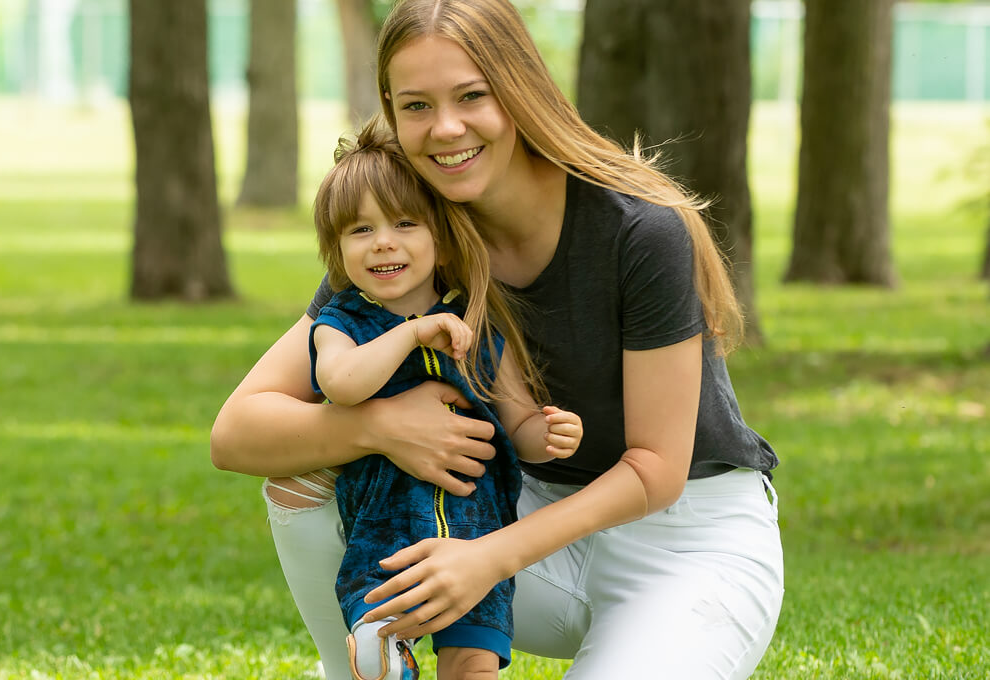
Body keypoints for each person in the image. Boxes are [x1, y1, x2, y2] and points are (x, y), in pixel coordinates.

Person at [209, 1, 784, 678]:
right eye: (417, 106)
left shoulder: (639, 229)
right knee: (304, 472)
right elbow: (238, 432)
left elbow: (656, 469)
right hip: (516, 512)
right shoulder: (404, 231)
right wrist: (381, 424)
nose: (445, 128)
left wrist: (488, 557)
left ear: (519, 90)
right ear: (391, 111)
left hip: (686, 543)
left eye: (472, 96)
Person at [307, 118, 584, 680]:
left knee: (474, 661)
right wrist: (409, 332)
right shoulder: (341, 323)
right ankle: (382, 655)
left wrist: (547, 433)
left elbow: (517, 417)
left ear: (440, 236)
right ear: (337, 249)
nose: (383, 241)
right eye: (360, 230)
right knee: (380, 627)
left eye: (405, 224)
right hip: (385, 529)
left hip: (476, 534)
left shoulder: (476, 323)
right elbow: (341, 384)